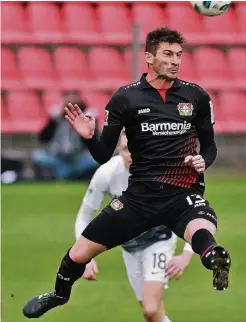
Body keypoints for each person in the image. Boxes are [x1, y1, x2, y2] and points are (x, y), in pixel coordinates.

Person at [23, 27, 232, 320]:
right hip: (139, 199)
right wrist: (87, 136)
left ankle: (214, 257)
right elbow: (101, 154)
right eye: (168, 54)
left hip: (182, 192)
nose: (175, 61)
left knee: (201, 224)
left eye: (179, 55)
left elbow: (210, 147)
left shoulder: (195, 96)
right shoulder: (126, 98)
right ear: (148, 57)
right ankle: (58, 295)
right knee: (79, 253)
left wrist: (203, 161)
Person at [75, 130, 194, 322]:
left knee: (150, 307)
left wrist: (186, 254)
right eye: (125, 149)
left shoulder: (162, 172)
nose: (131, 155)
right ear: (119, 150)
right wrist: (84, 257)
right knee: (152, 315)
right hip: (129, 247)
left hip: (159, 240)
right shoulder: (107, 173)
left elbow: (190, 211)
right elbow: (84, 215)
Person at [31, 91, 98, 181]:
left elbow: (94, 142)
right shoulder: (55, 118)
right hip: (57, 158)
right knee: (37, 156)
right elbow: (43, 138)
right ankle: (69, 175)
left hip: (77, 158)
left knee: (94, 159)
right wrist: (53, 120)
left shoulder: (86, 117)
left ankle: (64, 175)